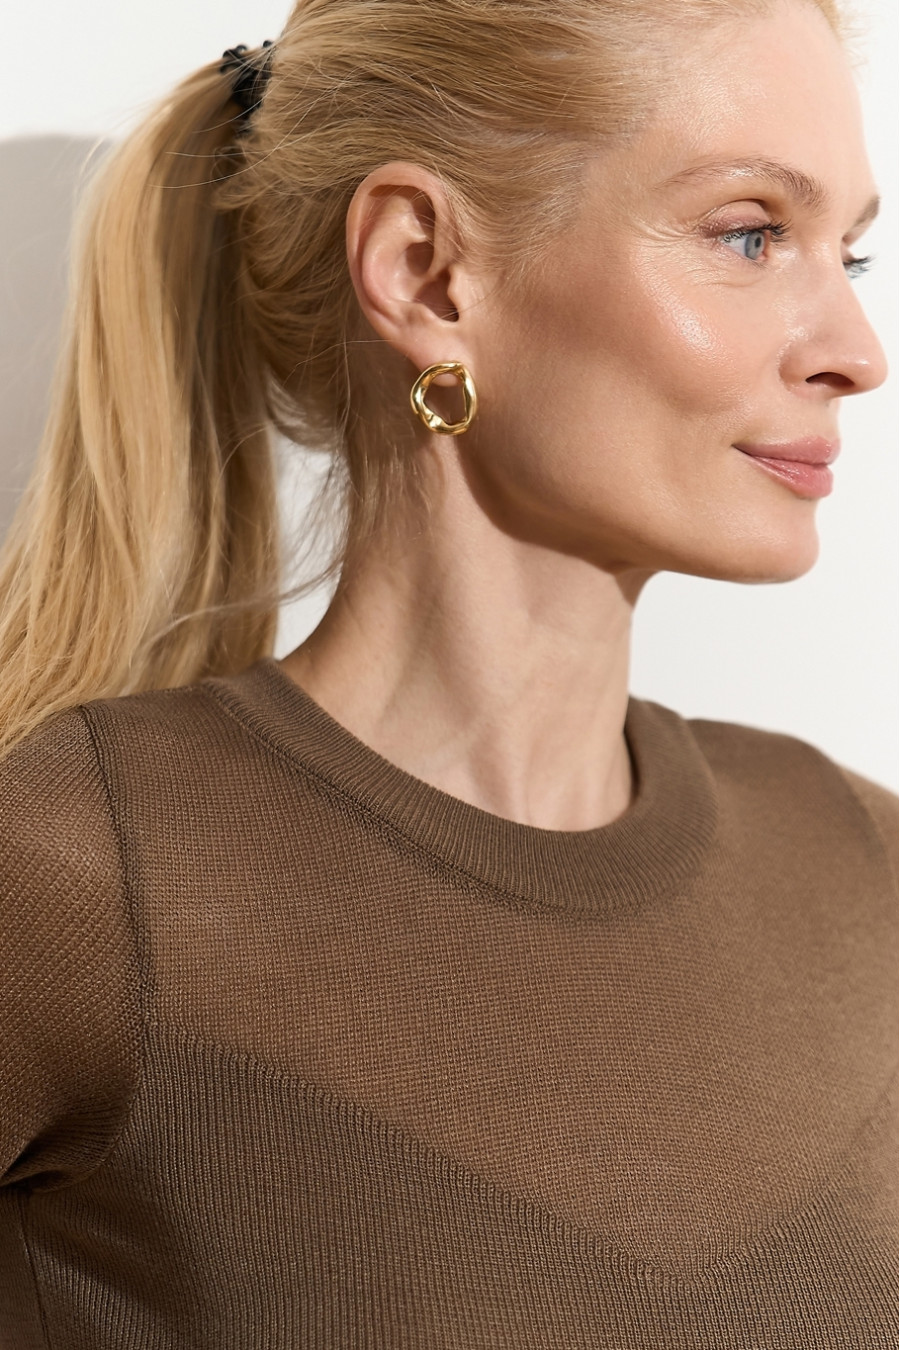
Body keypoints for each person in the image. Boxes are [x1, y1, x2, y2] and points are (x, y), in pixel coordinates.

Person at [0, 0, 895, 1344]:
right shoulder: (77, 873)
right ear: (426, 274)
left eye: (851, 251)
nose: (857, 352)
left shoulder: (865, 872)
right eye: (749, 233)